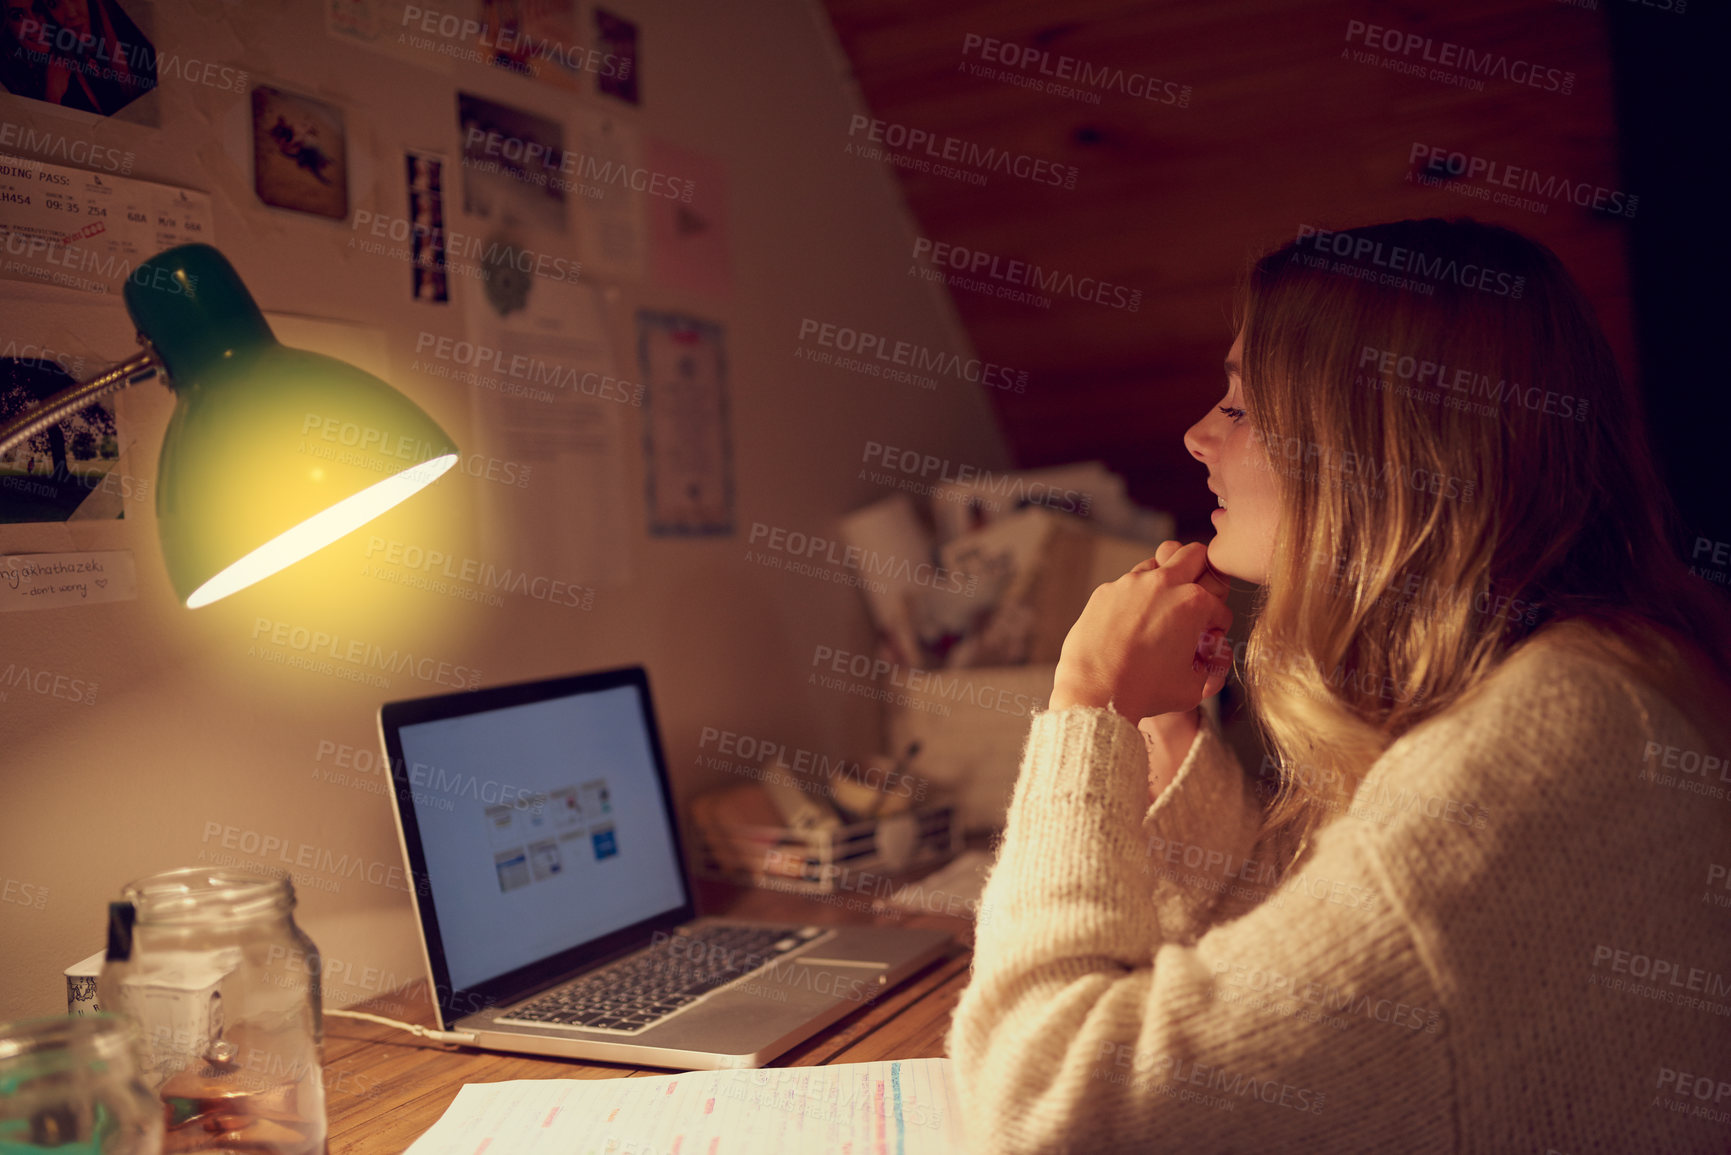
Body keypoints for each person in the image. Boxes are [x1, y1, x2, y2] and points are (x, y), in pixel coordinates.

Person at [945, 217, 1731, 1152]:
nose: (1196, 433)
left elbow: (1047, 1106)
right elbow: (1313, 977)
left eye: (1239, 407)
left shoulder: (1554, 734)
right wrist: (1163, 729)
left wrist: (1086, 707)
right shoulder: (1587, 669)